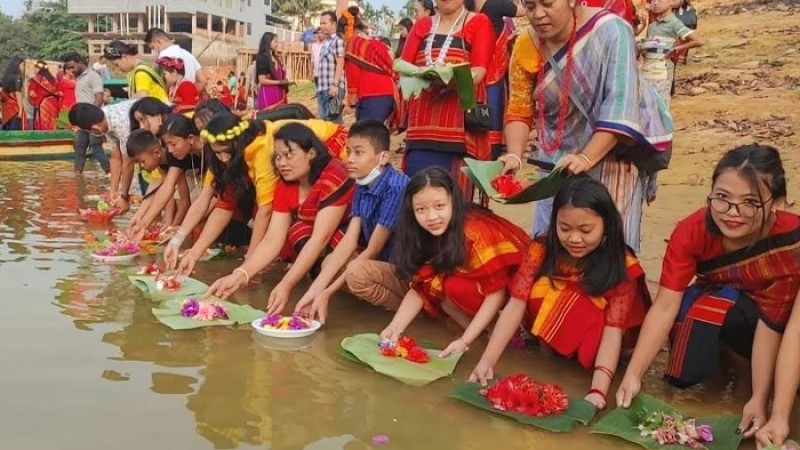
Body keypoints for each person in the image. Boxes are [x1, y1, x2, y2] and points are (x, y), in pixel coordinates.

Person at [615, 145, 800, 440]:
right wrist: (634, 374)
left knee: (746, 325)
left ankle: (748, 383)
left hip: (772, 321)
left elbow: (777, 325)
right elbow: (665, 306)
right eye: (722, 198)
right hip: (722, 303)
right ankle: (722, 369)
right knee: (703, 314)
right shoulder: (692, 231)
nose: (732, 213)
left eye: (750, 202)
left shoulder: (791, 241)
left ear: (776, 202)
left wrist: (762, 398)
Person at [500, 0, 672, 253]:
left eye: (547, 3)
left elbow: (620, 104)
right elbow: (519, 107)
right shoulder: (526, 44)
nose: (538, 15)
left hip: (611, 160)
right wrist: (514, 154)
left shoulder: (611, 31)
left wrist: (585, 157)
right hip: (555, 167)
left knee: (608, 250)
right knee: (548, 249)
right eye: (529, 6)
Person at [469, 176, 650, 410]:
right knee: (541, 291)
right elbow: (516, 303)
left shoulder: (623, 265)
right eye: (565, 228)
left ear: (606, 226)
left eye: (586, 230)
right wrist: (486, 362)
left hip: (602, 337)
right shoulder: (541, 249)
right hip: (557, 325)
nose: (574, 239)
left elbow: (613, 331)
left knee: (571, 300)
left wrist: (598, 391)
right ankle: (550, 350)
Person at [378, 167, 529, 356]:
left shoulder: (475, 232)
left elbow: (496, 292)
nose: (431, 217)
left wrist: (464, 341)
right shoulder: (421, 233)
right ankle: (483, 335)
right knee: (441, 287)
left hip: (517, 297)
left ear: (453, 202)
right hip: (480, 292)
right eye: (421, 209)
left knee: (454, 287)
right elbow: (420, 284)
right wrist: (394, 328)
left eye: (439, 206)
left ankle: (506, 333)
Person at [206, 123, 356, 310]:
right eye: (277, 157)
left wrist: (286, 284)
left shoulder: (333, 176)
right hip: (320, 241)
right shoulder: (286, 185)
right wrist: (240, 275)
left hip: (354, 237)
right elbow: (272, 239)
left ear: (311, 153)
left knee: (308, 238)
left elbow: (320, 238)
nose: (282, 163)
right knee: (296, 232)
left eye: (289, 155)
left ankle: (339, 287)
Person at [294, 121, 409, 323]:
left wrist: (327, 293)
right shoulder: (362, 184)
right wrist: (313, 292)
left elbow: (373, 249)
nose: (350, 159)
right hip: (384, 264)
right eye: (348, 152)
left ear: (383, 157)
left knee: (356, 273)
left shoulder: (396, 187)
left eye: (358, 152)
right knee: (330, 262)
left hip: (408, 269)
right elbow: (349, 242)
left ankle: (410, 311)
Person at [400, 0, 495, 197]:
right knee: (417, 199)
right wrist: (422, 73)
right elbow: (403, 66)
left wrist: (452, 77)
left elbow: (479, 70)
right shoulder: (422, 25)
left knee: (454, 203)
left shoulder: (478, 22)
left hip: (458, 132)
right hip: (420, 132)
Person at [466, 0, 525, 158]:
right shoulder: (495, 5)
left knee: (479, 108)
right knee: (494, 109)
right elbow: (525, 11)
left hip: (474, 66)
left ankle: (477, 148)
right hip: (493, 68)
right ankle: (492, 152)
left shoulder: (467, 11)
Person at [69, 99, 138, 213]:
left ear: (95, 128)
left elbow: (128, 162)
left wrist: (124, 197)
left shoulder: (121, 123)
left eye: (89, 132)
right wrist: (113, 191)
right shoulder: (105, 119)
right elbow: (116, 158)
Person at [640, 0, 704, 107]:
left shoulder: (674, 23)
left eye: (659, 1)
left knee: (660, 107)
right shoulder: (652, 26)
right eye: (653, 1)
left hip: (662, 73)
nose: (655, 3)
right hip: (647, 72)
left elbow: (699, 41)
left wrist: (676, 49)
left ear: (671, 2)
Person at [125, 129, 189, 230]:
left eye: (142, 161)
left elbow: (184, 202)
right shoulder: (161, 164)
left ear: (156, 152)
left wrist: (171, 227)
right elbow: (167, 194)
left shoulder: (174, 158)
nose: (141, 166)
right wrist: (139, 216)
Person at [63, 52, 109, 174]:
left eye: (72, 67)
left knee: (96, 148)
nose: (71, 70)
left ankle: (110, 173)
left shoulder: (93, 76)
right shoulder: (79, 78)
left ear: (80, 62)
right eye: (68, 68)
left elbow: (99, 98)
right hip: (82, 122)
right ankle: (78, 177)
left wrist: (91, 119)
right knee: (79, 148)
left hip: (94, 120)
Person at [345, 27, 400, 125]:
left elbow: (353, 74)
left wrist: (352, 100)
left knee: (367, 134)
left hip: (370, 94)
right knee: (377, 131)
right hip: (390, 92)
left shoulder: (353, 45)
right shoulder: (380, 44)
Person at [144, 28, 208, 92]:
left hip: (171, 100)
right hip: (188, 100)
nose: (154, 51)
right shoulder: (189, 56)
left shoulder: (163, 57)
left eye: (153, 47)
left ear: (159, 42)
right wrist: (189, 96)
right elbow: (203, 81)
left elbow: (162, 84)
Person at [103, 40, 169, 103]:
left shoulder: (141, 73)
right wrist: (111, 92)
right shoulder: (140, 68)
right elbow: (131, 90)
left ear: (124, 58)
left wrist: (120, 104)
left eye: (116, 65)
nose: (117, 69)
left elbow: (141, 95)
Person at [317, 11, 347, 123]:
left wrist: (335, 84)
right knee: (327, 121)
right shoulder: (325, 43)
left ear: (334, 24)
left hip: (332, 88)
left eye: (324, 23)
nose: (322, 26)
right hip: (323, 88)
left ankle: (343, 140)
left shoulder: (337, 42)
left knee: (333, 122)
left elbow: (340, 63)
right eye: (321, 23)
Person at [255, 32, 291, 110]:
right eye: (275, 41)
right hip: (268, 96)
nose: (277, 44)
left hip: (280, 94)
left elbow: (280, 76)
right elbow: (262, 80)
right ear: (268, 42)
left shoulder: (276, 58)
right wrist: (279, 82)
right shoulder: (262, 58)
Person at [27, 60, 61, 130]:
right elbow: (58, 92)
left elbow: (32, 94)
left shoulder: (35, 80)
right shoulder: (53, 79)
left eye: (35, 68)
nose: (34, 70)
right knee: (52, 123)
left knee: (41, 124)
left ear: (39, 69)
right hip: (53, 105)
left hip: (40, 105)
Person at [1, 56, 26, 130]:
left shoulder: (6, 77)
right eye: (23, 65)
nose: (24, 67)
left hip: (6, 109)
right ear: (17, 65)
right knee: (14, 132)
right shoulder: (18, 77)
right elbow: (18, 93)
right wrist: (21, 110)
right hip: (14, 108)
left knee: (7, 131)